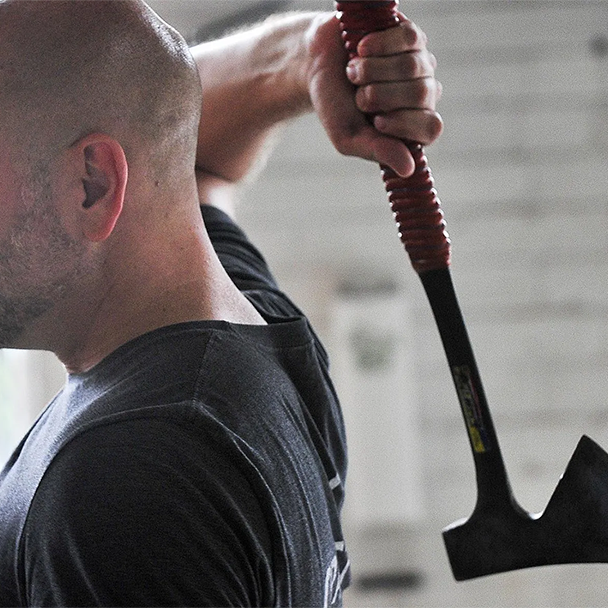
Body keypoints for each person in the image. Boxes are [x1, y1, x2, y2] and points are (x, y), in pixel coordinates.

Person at [0, 0, 442, 606]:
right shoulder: (253, 336)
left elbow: (170, 139)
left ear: (93, 184)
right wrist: (306, 54)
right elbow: (183, 152)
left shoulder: (125, 482)